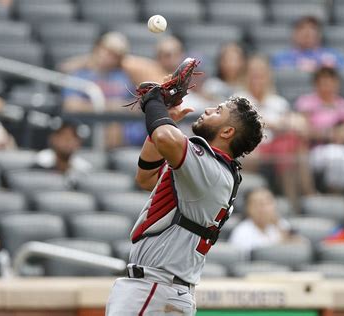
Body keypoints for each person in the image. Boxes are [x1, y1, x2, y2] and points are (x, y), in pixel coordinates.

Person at [106, 85, 263, 314]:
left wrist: (155, 103)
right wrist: (164, 120)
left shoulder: (210, 167)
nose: (208, 110)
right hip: (164, 289)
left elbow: (166, 138)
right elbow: (147, 177)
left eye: (218, 111)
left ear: (227, 132)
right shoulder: (210, 170)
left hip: (155, 289)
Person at [238, 55, 314, 207]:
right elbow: (244, 124)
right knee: (283, 147)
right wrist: (276, 124)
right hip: (250, 147)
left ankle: (298, 198)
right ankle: (299, 197)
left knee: (292, 143)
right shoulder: (240, 98)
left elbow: (294, 123)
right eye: (254, 75)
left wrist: (284, 124)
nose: (257, 79)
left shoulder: (278, 102)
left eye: (261, 75)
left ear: (268, 77)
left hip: (276, 147)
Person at [295, 66, 344, 145]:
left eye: (330, 81)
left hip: (340, 147)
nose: (327, 86)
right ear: (316, 83)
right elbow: (303, 130)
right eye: (323, 82)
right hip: (313, 147)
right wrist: (329, 133)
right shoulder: (306, 102)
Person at [229, 188, 292, 258]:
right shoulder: (241, 231)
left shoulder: (282, 224)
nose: (265, 208)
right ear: (248, 208)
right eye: (259, 204)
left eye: (268, 203)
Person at [272, 16, 344, 72]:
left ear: (319, 34)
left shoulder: (334, 56)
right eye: (302, 28)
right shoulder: (281, 57)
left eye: (312, 28)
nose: (307, 32)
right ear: (294, 34)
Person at [34, 118, 92, 188]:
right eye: (64, 136)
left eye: (73, 137)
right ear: (53, 138)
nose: (68, 141)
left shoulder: (84, 168)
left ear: (79, 142)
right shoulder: (40, 161)